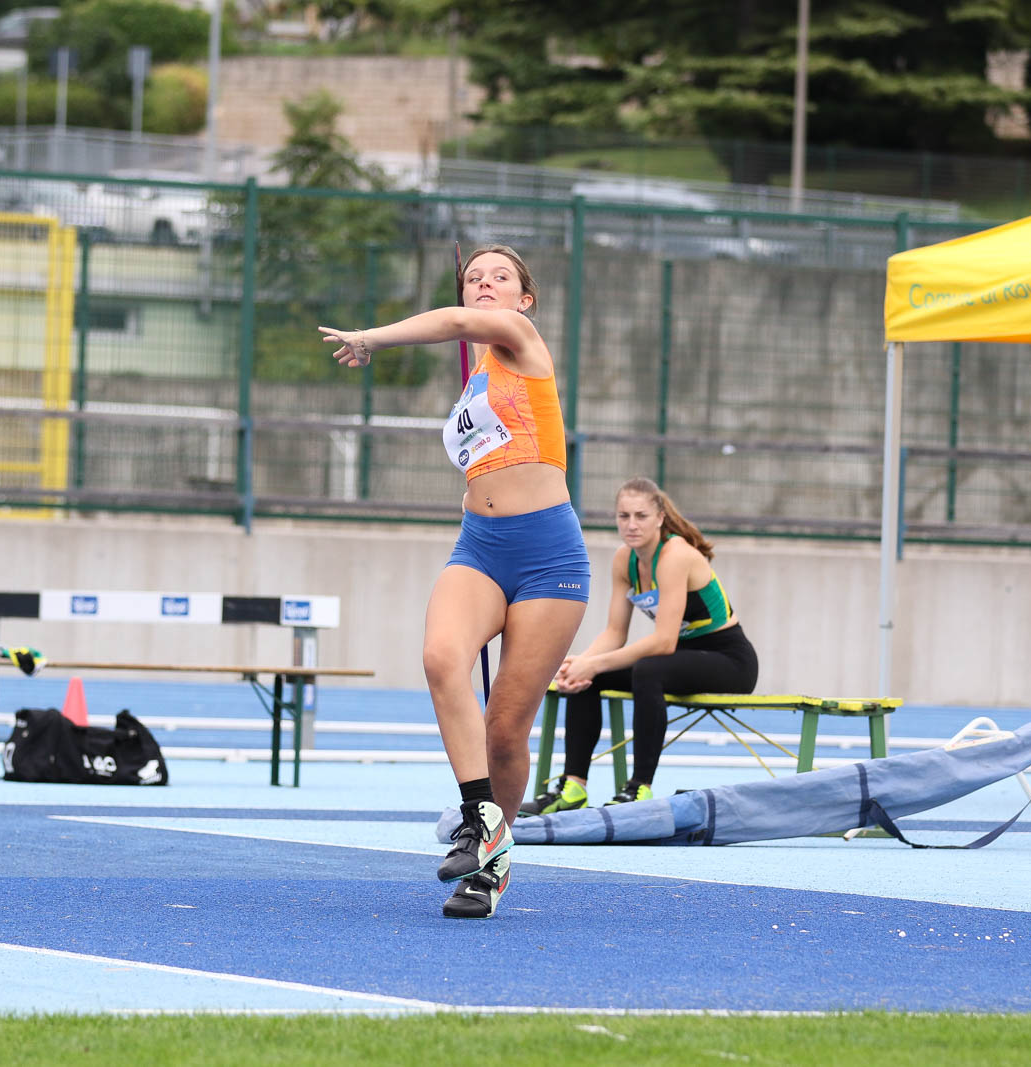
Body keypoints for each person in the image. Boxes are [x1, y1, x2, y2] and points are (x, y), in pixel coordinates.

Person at [319, 245, 589, 919]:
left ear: (524, 299)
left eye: (501, 277)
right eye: (474, 277)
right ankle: (480, 819)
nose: (485, 283)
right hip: (481, 546)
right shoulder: (476, 379)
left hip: (549, 556)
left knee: (506, 729)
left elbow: (457, 324)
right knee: (442, 658)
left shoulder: (521, 339)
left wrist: (371, 337)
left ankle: (491, 873)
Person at [523, 476, 758, 814]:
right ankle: (573, 789)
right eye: (624, 516)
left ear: (660, 517)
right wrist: (581, 663)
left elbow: (663, 642)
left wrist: (594, 662)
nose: (631, 525)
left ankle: (639, 789)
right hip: (680, 657)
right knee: (589, 676)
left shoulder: (675, 555)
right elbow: (614, 632)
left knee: (647, 670)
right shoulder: (625, 560)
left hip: (729, 660)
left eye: (641, 516)